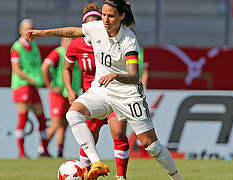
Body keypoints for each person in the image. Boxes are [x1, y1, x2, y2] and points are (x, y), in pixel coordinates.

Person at [25, 1, 181, 179]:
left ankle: (175, 176)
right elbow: (69, 31)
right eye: (104, 14)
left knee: (151, 145)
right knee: (73, 114)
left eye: (111, 15)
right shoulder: (96, 27)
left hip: (127, 95)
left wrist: (116, 75)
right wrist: (42, 33)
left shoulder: (129, 40)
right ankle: (96, 162)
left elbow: (133, 76)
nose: (105, 19)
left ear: (122, 16)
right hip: (102, 91)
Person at [62, 3, 129, 179]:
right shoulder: (76, 45)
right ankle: (87, 174)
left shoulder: (111, 41)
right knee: (90, 136)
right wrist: (70, 90)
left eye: (97, 21)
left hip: (115, 94)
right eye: (89, 23)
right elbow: (66, 69)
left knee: (118, 132)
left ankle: (121, 176)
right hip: (93, 97)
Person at [10, 18, 49, 158]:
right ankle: (21, 153)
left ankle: (44, 151)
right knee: (23, 118)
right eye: (27, 29)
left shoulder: (34, 46)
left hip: (34, 86)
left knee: (42, 119)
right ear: (21, 31)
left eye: (32, 28)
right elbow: (16, 70)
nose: (30, 31)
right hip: (22, 86)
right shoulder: (17, 47)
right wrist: (31, 80)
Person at [39, 38, 81, 157]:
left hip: (71, 95)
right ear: (62, 42)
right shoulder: (58, 52)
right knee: (55, 123)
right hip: (59, 94)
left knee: (64, 124)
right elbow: (44, 67)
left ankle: (60, 151)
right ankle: (42, 149)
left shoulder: (75, 55)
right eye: (68, 40)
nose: (70, 43)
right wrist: (50, 86)